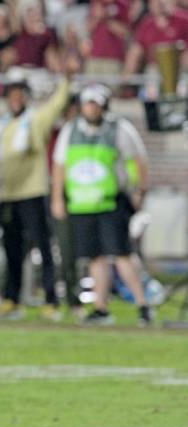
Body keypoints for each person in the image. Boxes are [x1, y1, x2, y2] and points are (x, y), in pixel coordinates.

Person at [0, 65, 75, 321]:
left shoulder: (34, 121)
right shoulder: (1, 128)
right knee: (12, 250)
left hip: (33, 194)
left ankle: (51, 300)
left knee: (44, 249)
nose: (16, 99)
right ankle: (12, 299)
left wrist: (66, 79)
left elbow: (56, 104)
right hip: (9, 195)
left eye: (20, 94)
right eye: (12, 94)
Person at [50, 84, 152, 326]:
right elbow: (59, 166)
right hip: (82, 204)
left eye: (97, 104)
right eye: (88, 103)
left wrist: (140, 190)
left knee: (121, 255)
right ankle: (101, 307)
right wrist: (57, 197)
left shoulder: (119, 129)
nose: (92, 108)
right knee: (95, 258)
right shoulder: (70, 130)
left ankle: (143, 304)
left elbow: (138, 160)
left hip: (110, 202)